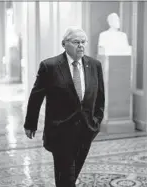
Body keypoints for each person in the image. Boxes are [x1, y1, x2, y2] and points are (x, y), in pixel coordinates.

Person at [24, 27, 105, 187]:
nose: (81, 45)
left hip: (86, 130)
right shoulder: (50, 66)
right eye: (76, 42)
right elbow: (36, 96)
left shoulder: (94, 65)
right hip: (60, 132)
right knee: (66, 177)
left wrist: (96, 121)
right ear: (64, 44)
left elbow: (100, 97)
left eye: (83, 42)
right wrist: (30, 123)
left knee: (70, 175)